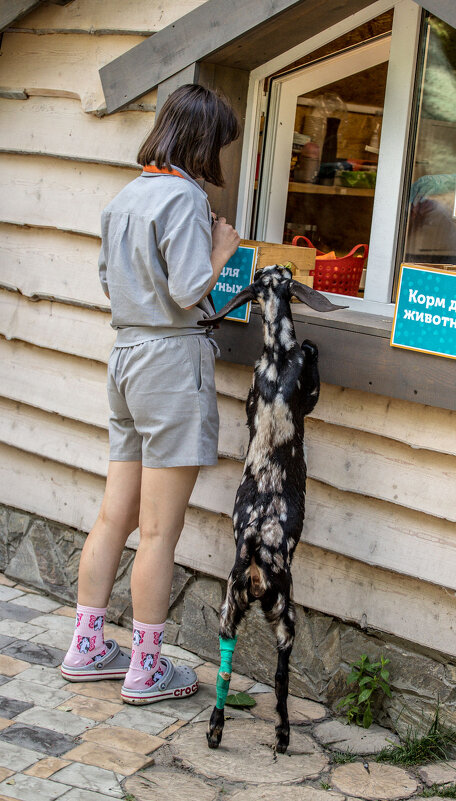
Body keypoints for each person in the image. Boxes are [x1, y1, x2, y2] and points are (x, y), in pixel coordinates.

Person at [60, 84, 241, 704]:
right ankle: (146, 667)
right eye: (219, 142)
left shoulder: (126, 196)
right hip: (170, 361)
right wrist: (222, 250)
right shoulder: (186, 198)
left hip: (128, 357)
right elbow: (191, 289)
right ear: (203, 141)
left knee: (117, 513)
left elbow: (113, 285)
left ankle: (86, 648)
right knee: (161, 530)